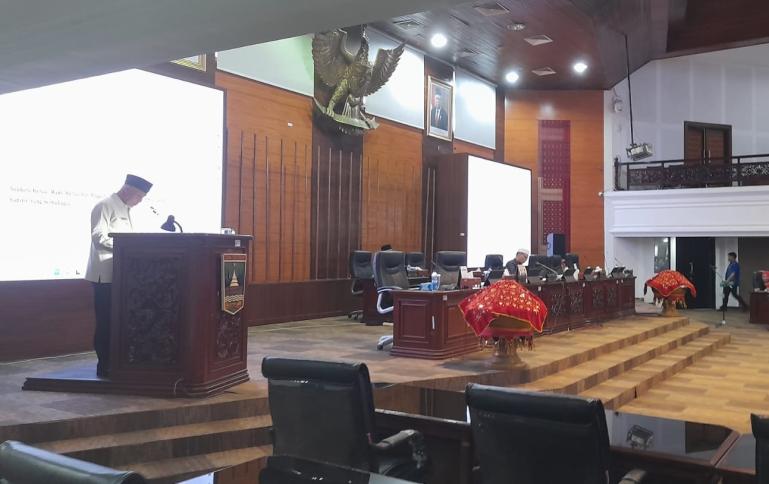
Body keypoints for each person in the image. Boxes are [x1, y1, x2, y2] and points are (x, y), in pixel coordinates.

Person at [85, 174, 152, 377]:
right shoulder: (104, 205)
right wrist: (126, 246)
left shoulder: (126, 209)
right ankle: (104, 365)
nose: (140, 201)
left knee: (120, 321)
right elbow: (98, 238)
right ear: (128, 191)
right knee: (106, 320)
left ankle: (118, 362)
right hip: (104, 277)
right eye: (139, 197)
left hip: (122, 276)